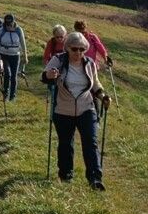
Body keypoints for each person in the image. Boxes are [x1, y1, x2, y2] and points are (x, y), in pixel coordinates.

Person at [43, 31, 108, 189]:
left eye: (81, 49)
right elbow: (44, 77)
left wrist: (103, 96)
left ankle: (95, 178)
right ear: (67, 48)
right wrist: (50, 75)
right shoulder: (58, 60)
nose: (78, 52)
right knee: (66, 144)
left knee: (90, 143)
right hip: (63, 110)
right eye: (74, 49)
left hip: (86, 108)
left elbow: (95, 85)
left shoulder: (90, 64)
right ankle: (66, 176)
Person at [0, 12, 26, 101]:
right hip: (4, 55)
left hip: (15, 56)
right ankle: (6, 91)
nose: (8, 26)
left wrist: (25, 55)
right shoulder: (1, 30)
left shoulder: (18, 30)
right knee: (7, 74)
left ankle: (12, 95)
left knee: (14, 76)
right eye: (7, 24)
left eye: (10, 24)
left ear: (13, 22)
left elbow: (22, 42)